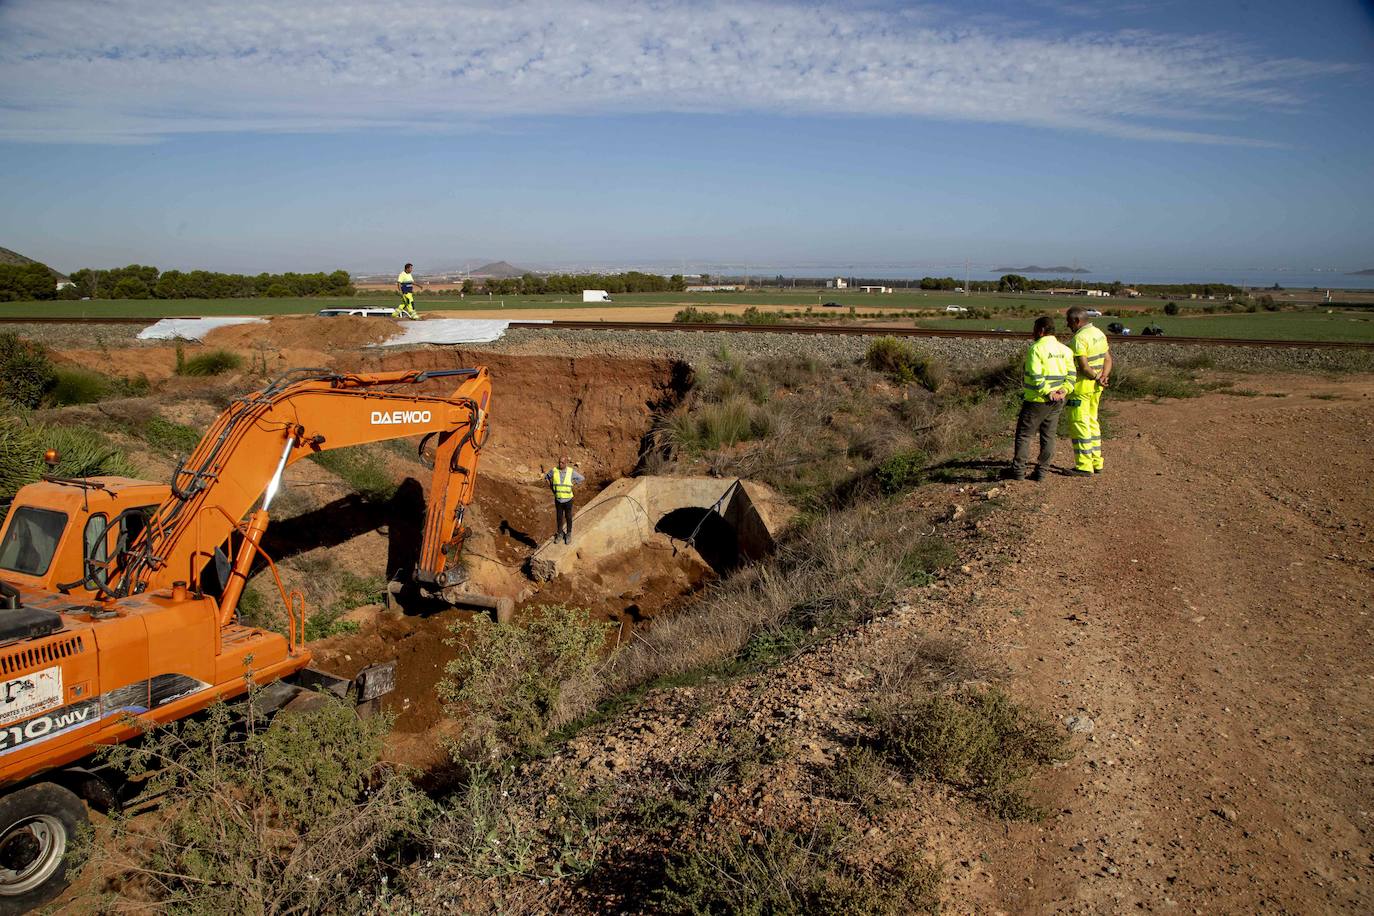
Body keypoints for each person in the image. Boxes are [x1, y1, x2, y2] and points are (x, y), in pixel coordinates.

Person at [1007, 316, 1076, 481]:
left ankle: (1018, 472)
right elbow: (1072, 374)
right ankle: (1041, 473)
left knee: (1024, 435)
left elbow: (1035, 375)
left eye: (1034, 330)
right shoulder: (1065, 350)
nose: (1033, 333)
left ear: (1041, 330)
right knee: (1049, 436)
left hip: (1037, 400)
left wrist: (1047, 392)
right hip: (1058, 401)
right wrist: (1065, 390)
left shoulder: (1036, 349)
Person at [1065, 305, 1112, 476]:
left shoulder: (1079, 339)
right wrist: (1103, 377)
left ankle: (1084, 466)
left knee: (1080, 425)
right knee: (1092, 422)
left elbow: (1084, 367)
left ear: (1077, 321)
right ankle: (1096, 462)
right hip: (1096, 388)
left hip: (1081, 388)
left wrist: (1095, 377)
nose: (1068, 326)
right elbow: (1108, 359)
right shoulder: (1099, 333)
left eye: (1069, 322)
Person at [544, 456, 584, 544]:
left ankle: (568, 534)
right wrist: (551, 487)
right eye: (559, 462)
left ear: (566, 463)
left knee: (568, 517)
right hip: (558, 499)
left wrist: (573, 483)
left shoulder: (570, 471)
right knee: (559, 517)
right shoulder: (554, 470)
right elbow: (546, 477)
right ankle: (560, 533)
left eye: (562, 463)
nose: (560, 464)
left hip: (568, 499)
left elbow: (581, 478)